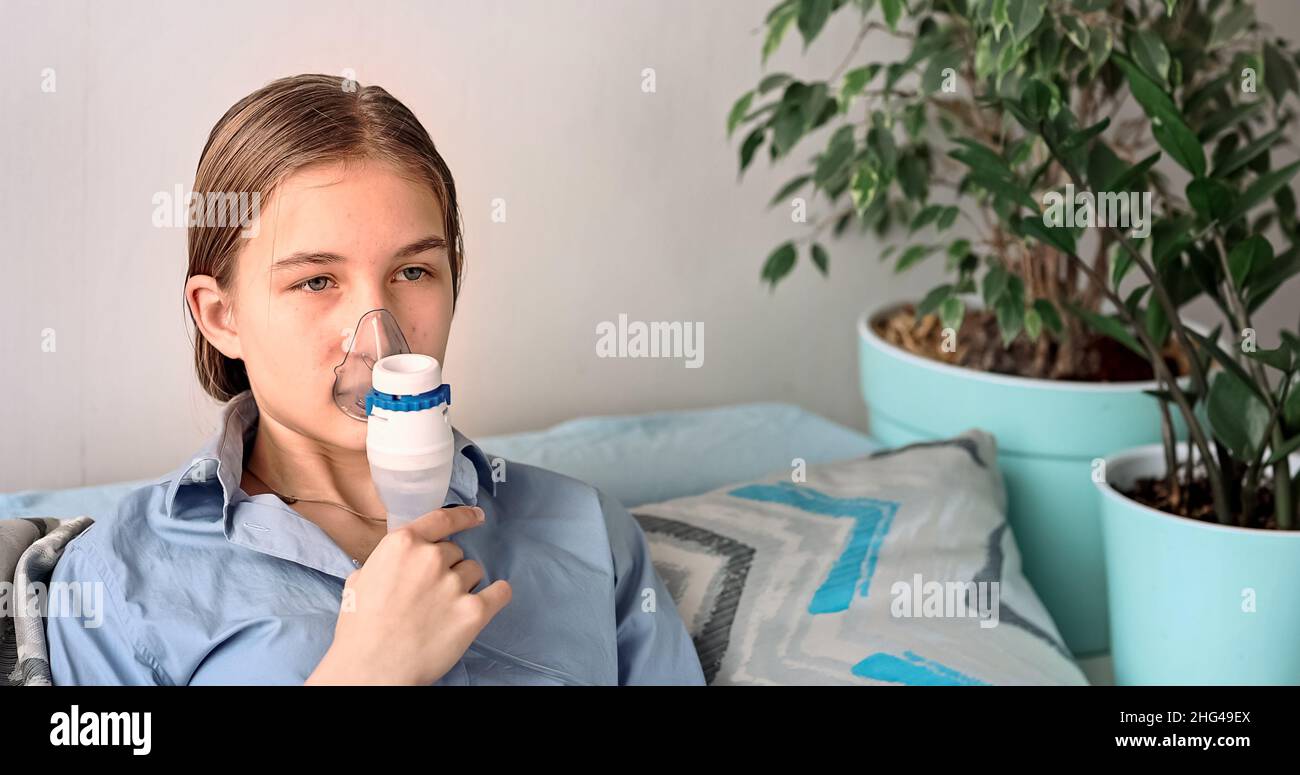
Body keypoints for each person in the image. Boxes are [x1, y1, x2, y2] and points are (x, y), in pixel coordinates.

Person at [45, 74, 705, 686]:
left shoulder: (585, 531)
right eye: (316, 280)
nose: (377, 332)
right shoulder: (119, 579)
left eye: (414, 272)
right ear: (223, 316)